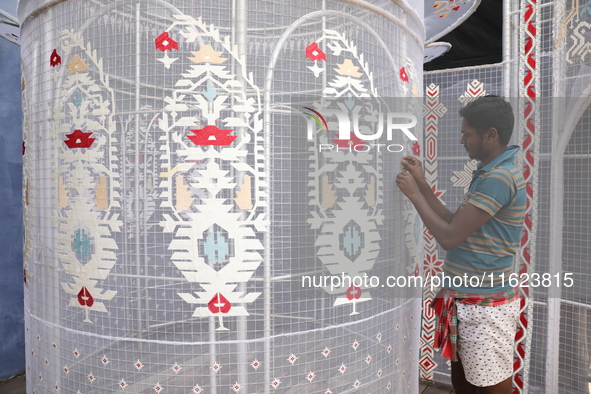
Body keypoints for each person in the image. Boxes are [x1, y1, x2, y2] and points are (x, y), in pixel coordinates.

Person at [396, 96, 526, 394]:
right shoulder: (486, 174)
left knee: (491, 385)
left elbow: (449, 237)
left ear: (490, 135)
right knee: (463, 382)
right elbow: (456, 223)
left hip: (484, 306)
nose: (461, 140)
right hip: (467, 298)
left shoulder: (499, 178)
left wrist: (414, 195)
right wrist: (422, 183)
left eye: (467, 133)